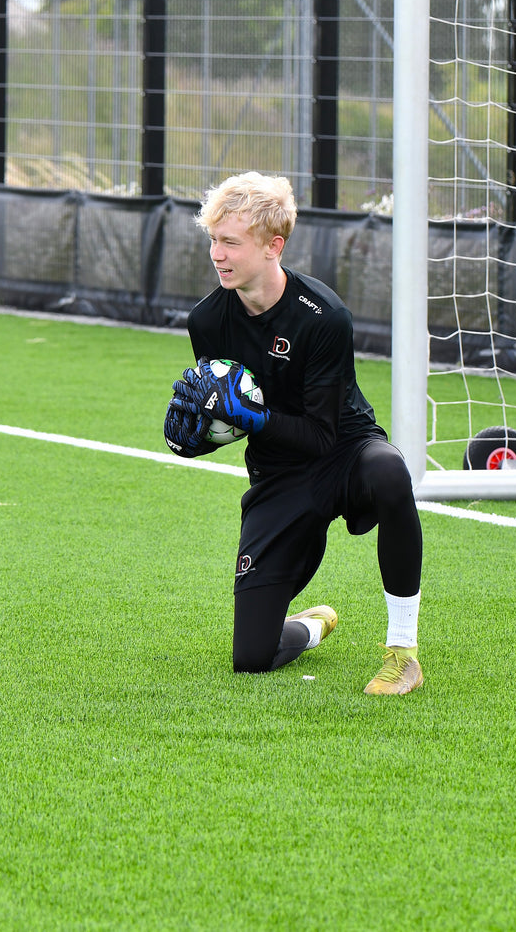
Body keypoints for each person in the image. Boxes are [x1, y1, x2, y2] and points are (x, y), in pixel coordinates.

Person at [162, 171, 425, 695]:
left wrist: (250, 418)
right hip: (279, 473)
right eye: (214, 240)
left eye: (231, 242)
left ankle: (403, 652)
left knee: (391, 471)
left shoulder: (324, 316)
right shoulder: (207, 320)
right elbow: (228, 412)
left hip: (344, 451)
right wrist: (202, 433)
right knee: (251, 659)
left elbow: (322, 437)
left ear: (272, 246)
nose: (217, 254)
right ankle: (310, 625)